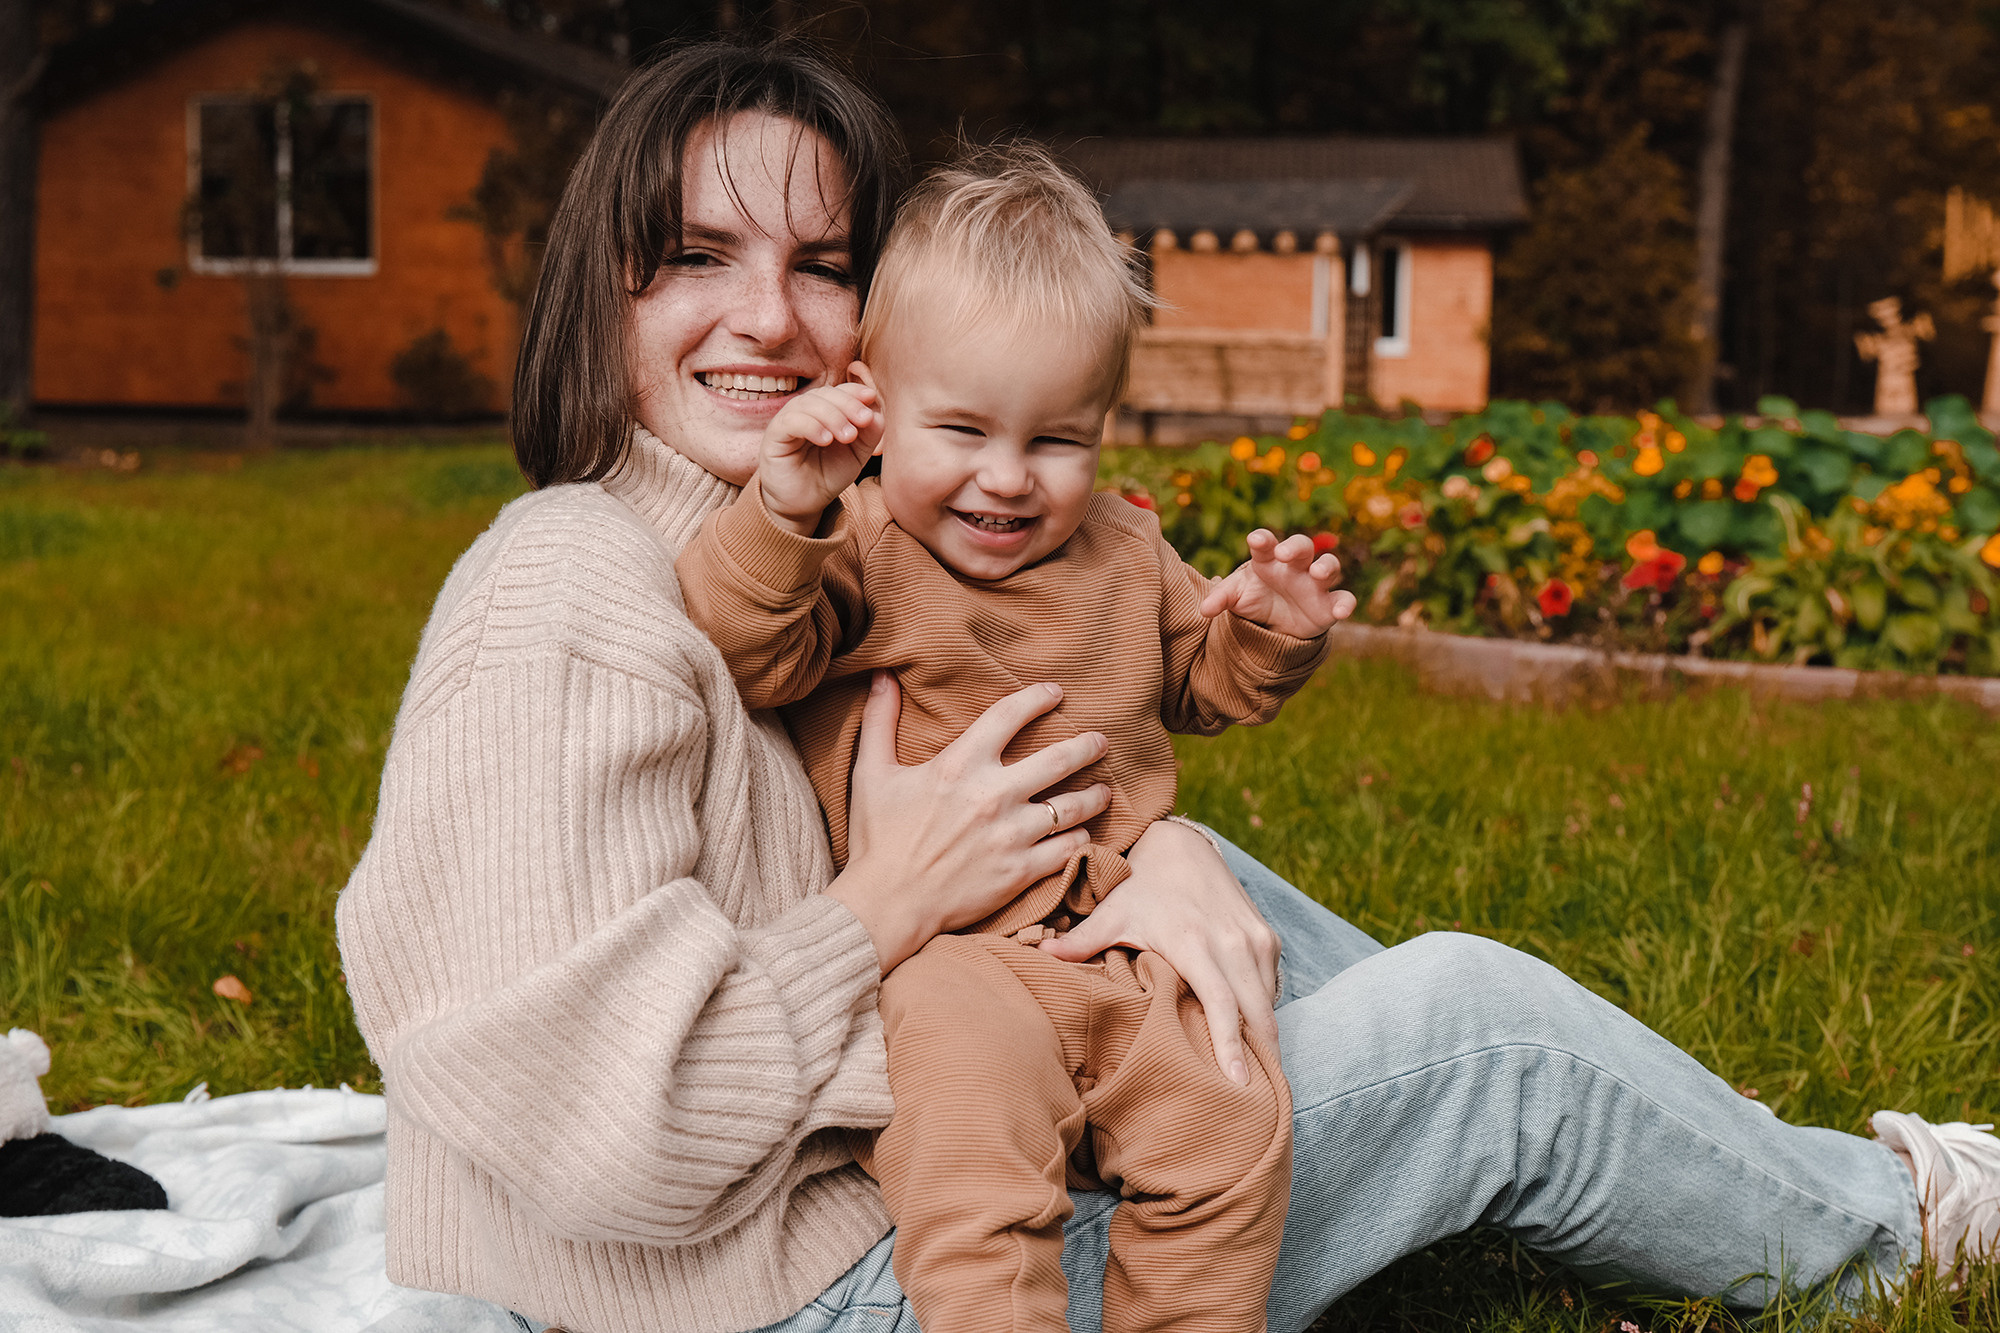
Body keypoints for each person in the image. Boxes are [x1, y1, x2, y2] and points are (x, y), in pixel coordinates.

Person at [334, 38, 2000, 1333]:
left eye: (825, 263)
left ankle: (1738, 1162)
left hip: (845, 1212)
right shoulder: (562, 585)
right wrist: (898, 900)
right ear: (597, 284)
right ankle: (1883, 1233)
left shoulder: (814, 543)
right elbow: (599, 1125)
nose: (770, 316)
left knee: (1225, 893)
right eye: (694, 255)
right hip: (818, 1288)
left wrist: (1153, 848)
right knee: (1481, 1035)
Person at [674, 145, 1353, 1333]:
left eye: (1056, 440)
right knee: (970, 1160)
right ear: (874, 399)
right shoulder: (859, 543)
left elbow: (1195, 682)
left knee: (1234, 1127)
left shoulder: (1125, 550)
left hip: (1135, 942)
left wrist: (1270, 636)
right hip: (955, 960)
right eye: (963, 429)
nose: (1008, 480)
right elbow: (750, 645)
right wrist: (783, 508)